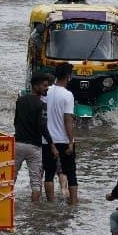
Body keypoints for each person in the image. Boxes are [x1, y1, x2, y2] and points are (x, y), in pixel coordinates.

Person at [14, 72, 55, 202]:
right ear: (36, 86)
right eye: (44, 86)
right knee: (36, 183)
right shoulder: (41, 104)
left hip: (17, 144)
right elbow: (43, 127)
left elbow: (15, 122)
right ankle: (34, 211)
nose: (47, 88)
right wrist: (52, 144)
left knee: (11, 179)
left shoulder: (20, 101)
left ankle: (7, 207)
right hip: (34, 147)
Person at [43, 63, 79, 204]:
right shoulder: (68, 95)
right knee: (71, 174)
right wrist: (71, 141)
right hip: (63, 139)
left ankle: (50, 204)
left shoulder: (46, 91)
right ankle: (73, 204)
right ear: (68, 76)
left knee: (49, 174)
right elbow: (67, 119)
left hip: (47, 140)